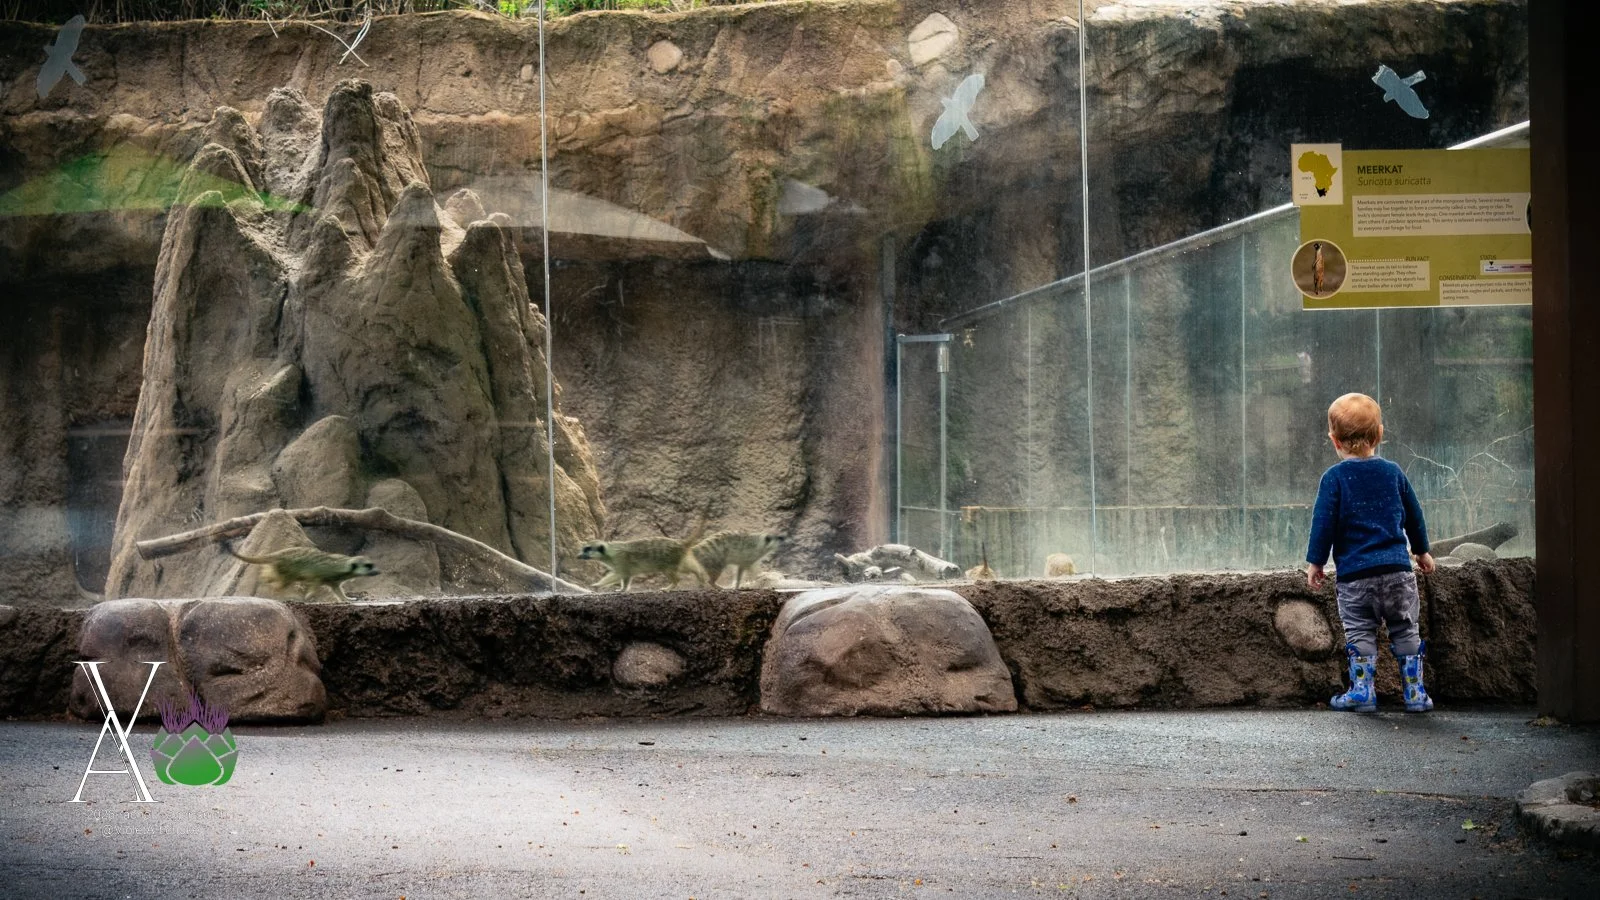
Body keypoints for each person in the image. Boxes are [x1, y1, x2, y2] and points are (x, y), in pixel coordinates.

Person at [1305, 393, 1436, 713]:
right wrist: (1422, 552)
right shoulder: (1393, 472)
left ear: (1334, 441)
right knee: (1406, 629)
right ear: (1379, 434)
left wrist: (1316, 563)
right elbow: (1414, 516)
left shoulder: (1333, 479)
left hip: (1355, 579)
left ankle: (1362, 690)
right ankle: (1415, 694)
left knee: (1360, 631)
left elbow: (1323, 524)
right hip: (1397, 574)